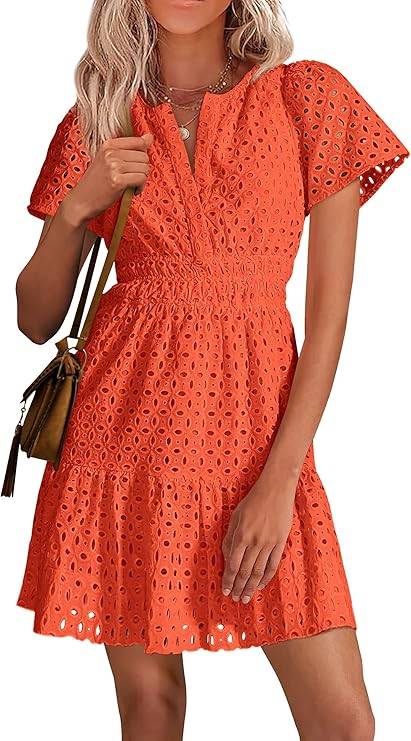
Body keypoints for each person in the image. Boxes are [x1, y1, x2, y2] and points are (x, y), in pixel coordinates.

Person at [13, 1, 408, 739]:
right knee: (150, 706)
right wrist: (76, 207)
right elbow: (35, 319)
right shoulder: (97, 121)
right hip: (121, 448)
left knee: (343, 721)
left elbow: (328, 319)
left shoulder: (307, 98)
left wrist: (280, 480)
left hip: (258, 447)